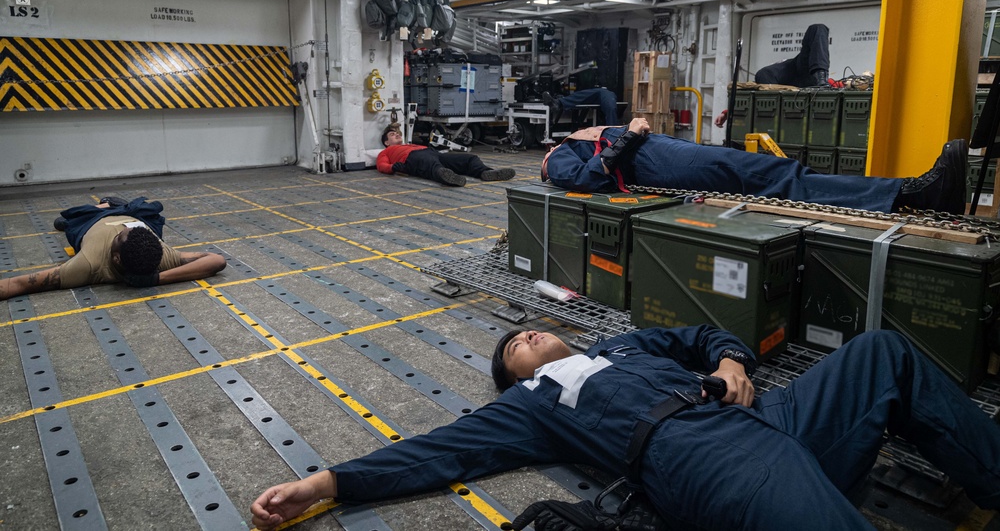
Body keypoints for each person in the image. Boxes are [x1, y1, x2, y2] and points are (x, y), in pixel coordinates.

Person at [250, 325, 1000, 530]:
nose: (520, 341)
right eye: (509, 352)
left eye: (527, 333)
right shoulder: (535, 401)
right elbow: (438, 451)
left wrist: (735, 358)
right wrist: (325, 482)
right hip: (699, 455)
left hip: (765, 411)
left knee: (882, 353)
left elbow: (705, 332)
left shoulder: (623, 344)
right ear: (518, 378)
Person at [541, 117, 968, 215]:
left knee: (777, 174)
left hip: (662, 153)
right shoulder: (556, 159)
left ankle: (902, 192)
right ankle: (909, 192)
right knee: (775, 177)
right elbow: (585, 179)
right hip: (656, 163)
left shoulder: (572, 143)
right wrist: (631, 134)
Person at [0, 196, 227, 300]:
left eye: (120, 235)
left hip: (91, 223)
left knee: (70, 220)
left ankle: (105, 206)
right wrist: (157, 279)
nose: (122, 229)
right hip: (136, 216)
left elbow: (18, 284)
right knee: (147, 210)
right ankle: (116, 205)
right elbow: (216, 260)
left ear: (116, 259)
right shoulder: (162, 256)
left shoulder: (89, 265)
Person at [377, 125, 515, 187]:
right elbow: (381, 165)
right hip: (413, 158)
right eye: (392, 135)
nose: (397, 135)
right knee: (432, 166)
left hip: (432, 152)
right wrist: (393, 167)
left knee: (469, 158)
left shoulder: (410, 144)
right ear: (386, 142)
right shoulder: (386, 152)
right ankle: (446, 177)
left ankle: (485, 172)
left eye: (398, 133)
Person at [755, 23, 831, 87]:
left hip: (808, 75)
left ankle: (821, 77)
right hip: (792, 75)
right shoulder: (770, 73)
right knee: (764, 73)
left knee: (817, 28)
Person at [542, 87, 619, 127]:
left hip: (605, 92)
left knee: (610, 107)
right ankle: (558, 103)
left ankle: (614, 131)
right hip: (600, 92)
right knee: (581, 96)